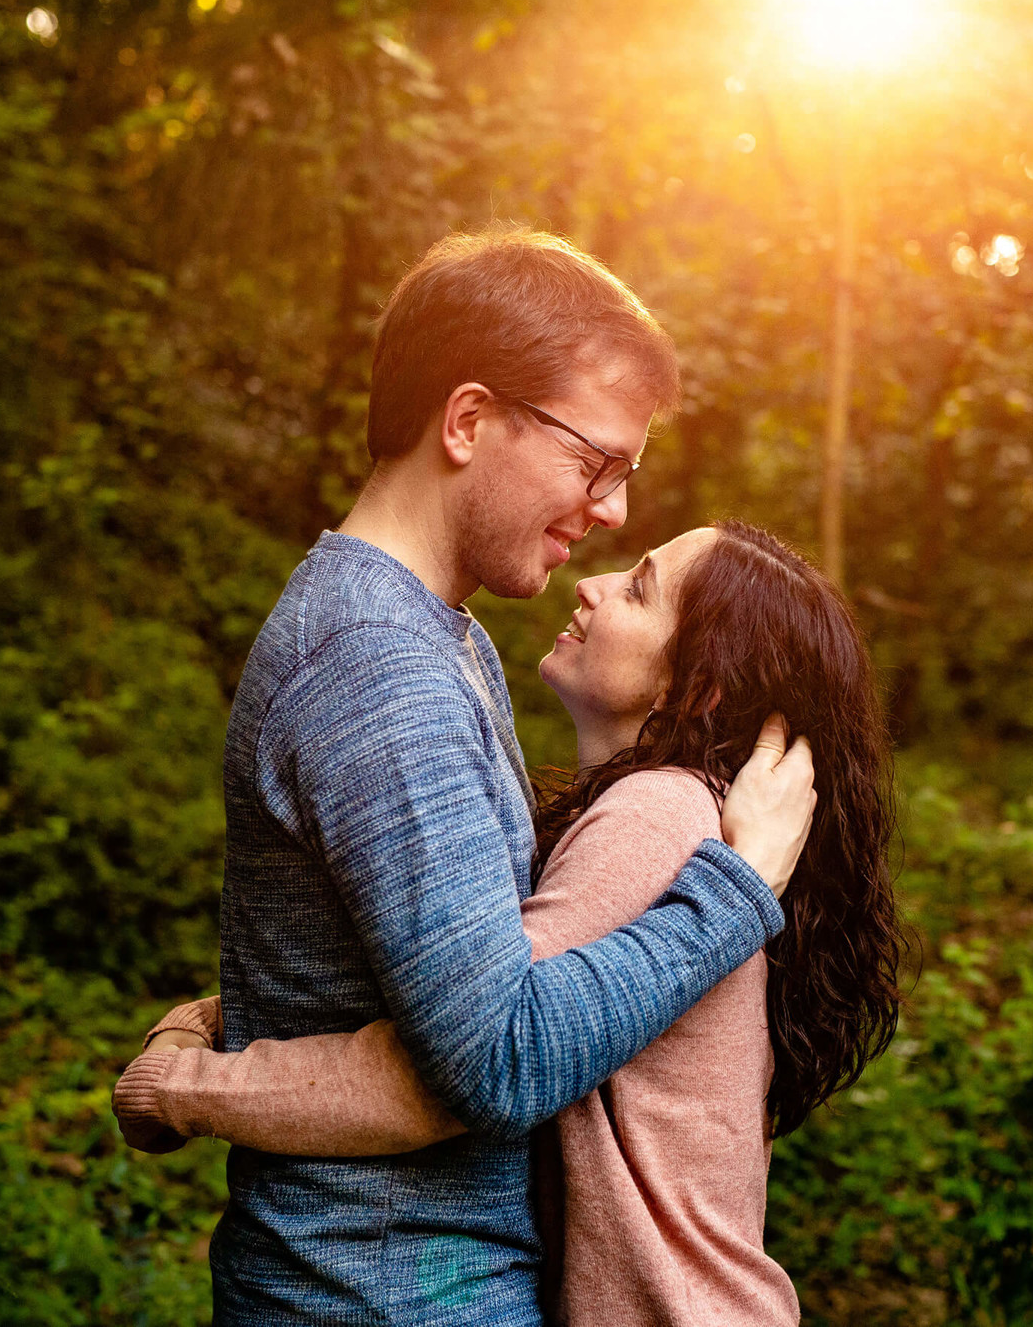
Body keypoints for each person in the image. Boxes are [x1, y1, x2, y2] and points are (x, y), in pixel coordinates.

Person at [114, 228, 819, 1325]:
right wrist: (732, 895)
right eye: (595, 464)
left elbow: (456, 960)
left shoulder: (442, 637)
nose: (612, 511)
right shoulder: (375, 668)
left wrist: (215, 1035)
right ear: (468, 420)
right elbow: (495, 1057)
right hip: (379, 1294)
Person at [118, 520, 904, 1326]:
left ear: (693, 687)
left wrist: (179, 1085)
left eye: (637, 589)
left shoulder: (656, 819)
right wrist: (222, 1017)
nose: (591, 586)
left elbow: (464, 1063)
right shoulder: (667, 817)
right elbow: (465, 995)